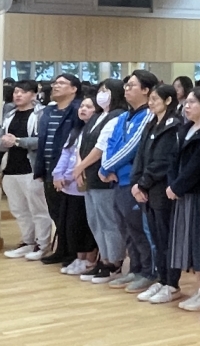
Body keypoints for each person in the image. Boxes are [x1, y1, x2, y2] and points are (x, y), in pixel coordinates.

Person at [99, 70, 158, 292]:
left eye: (132, 85)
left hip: (133, 182)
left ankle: (149, 271)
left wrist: (106, 167)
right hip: (117, 181)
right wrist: (105, 168)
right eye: (126, 85)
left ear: (146, 90)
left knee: (140, 228)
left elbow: (131, 147)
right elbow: (111, 144)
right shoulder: (123, 117)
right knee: (126, 228)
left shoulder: (148, 116)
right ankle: (135, 268)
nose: (126, 89)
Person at [169, 86, 200, 313]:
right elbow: (173, 160)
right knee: (191, 242)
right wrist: (172, 184)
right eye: (186, 102)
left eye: (192, 102)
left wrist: (177, 186)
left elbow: (197, 166)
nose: (187, 106)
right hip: (183, 192)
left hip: (199, 193)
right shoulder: (186, 129)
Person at [130, 84, 183, 303]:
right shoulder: (151, 124)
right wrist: (136, 183)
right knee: (156, 238)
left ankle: (172, 283)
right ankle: (162, 279)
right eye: (150, 99)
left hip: (162, 190)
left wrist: (143, 183)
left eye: (155, 99)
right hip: (147, 190)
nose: (150, 103)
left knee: (166, 238)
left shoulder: (173, 126)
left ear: (168, 100)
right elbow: (140, 156)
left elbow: (163, 161)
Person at [73, 80, 127, 282]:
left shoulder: (118, 115)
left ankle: (114, 262)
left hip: (104, 176)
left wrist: (81, 167)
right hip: (89, 175)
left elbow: (101, 147)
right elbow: (82, 143)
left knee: (108, 221)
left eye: (106, 91)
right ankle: (103, 258)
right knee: (94, 221)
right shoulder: (97, 116)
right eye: (100, 90)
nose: (101, 94)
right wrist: (79, 166)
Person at [34, 73, 82, 266]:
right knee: (55, 213)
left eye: (62, 83)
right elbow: (42, 141)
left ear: (74, 89)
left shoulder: (77, 110)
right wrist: (40, 169)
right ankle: (61, 249)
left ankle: (72, 252)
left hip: (67, 172)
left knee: (69, 215)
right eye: (55, 83)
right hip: (48, 169)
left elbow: (75, 144)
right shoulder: (49, 111)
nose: (56, 86)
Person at [0, 80, 48, 260]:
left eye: (23, 92)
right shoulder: (9, 114)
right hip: (10, 168)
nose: (18, 95)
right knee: (19, 210)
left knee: (38, 209)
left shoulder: (41, 114)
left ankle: (42, 244)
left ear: (33, 95)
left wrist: (17, 141)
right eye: (16, 92)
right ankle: (27, 242)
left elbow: (42, 140)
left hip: (31, 169)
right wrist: (4, 142)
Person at [52, 95, 96, 276]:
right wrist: (57, 174)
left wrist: (70, 175)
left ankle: (89, 260)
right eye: (82, 106)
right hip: (68, 188)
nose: (83, 109)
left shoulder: (94, 131)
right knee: (72, 225)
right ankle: (79, 258)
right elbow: (66, 154)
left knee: (85, 224)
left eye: (89, 107)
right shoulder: (75, 131)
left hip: (83, 185)